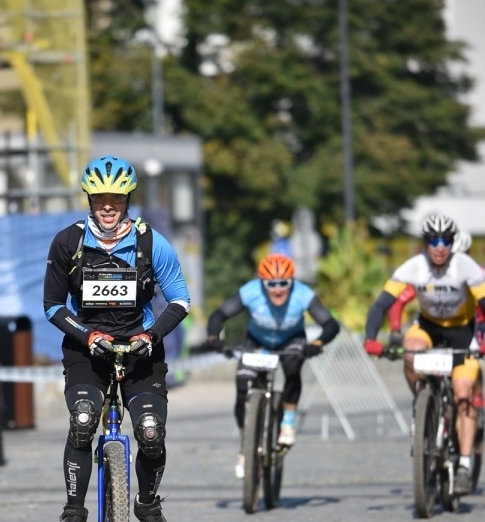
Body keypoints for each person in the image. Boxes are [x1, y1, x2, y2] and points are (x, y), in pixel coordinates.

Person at [43, 154, 191, 522]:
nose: (108, 206)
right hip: (87, 350)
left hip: (140, 350)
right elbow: (53, 306)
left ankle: (148, 505)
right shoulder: (68, 242)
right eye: (100, 199)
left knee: (150, 432)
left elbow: (180, 300)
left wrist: (151, 337)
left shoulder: (151, 243)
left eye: (117, 199)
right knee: (83, 419)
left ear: (128, 200)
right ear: (89, 200)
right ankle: (74, 510)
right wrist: (88, 335)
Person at [364, 212, 485, 495]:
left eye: (446, 241)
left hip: (462, 331)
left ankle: (464, 463)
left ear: (452, 243)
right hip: (428, 326)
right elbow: (381, 305)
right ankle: (423, 399)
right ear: (425, 243)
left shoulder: (465, 266)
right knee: (411, 353)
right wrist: (370, 339)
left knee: (463, 392)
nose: (440, 247)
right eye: (433, 241)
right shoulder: (413, 267)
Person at [205, 253, 340, 478]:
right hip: (257, 341)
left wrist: (317, 344)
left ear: (292, 282)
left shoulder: (303, 294)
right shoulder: (250, 291)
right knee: (242, 386)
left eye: (283, 284)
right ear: (261, 283)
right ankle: (245, 444)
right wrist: (213, 337)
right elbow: (218, 315)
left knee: (294, 366)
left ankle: (287, 423)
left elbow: (330, 324)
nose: (277, 290)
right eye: (271, 284)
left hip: (291, 339)